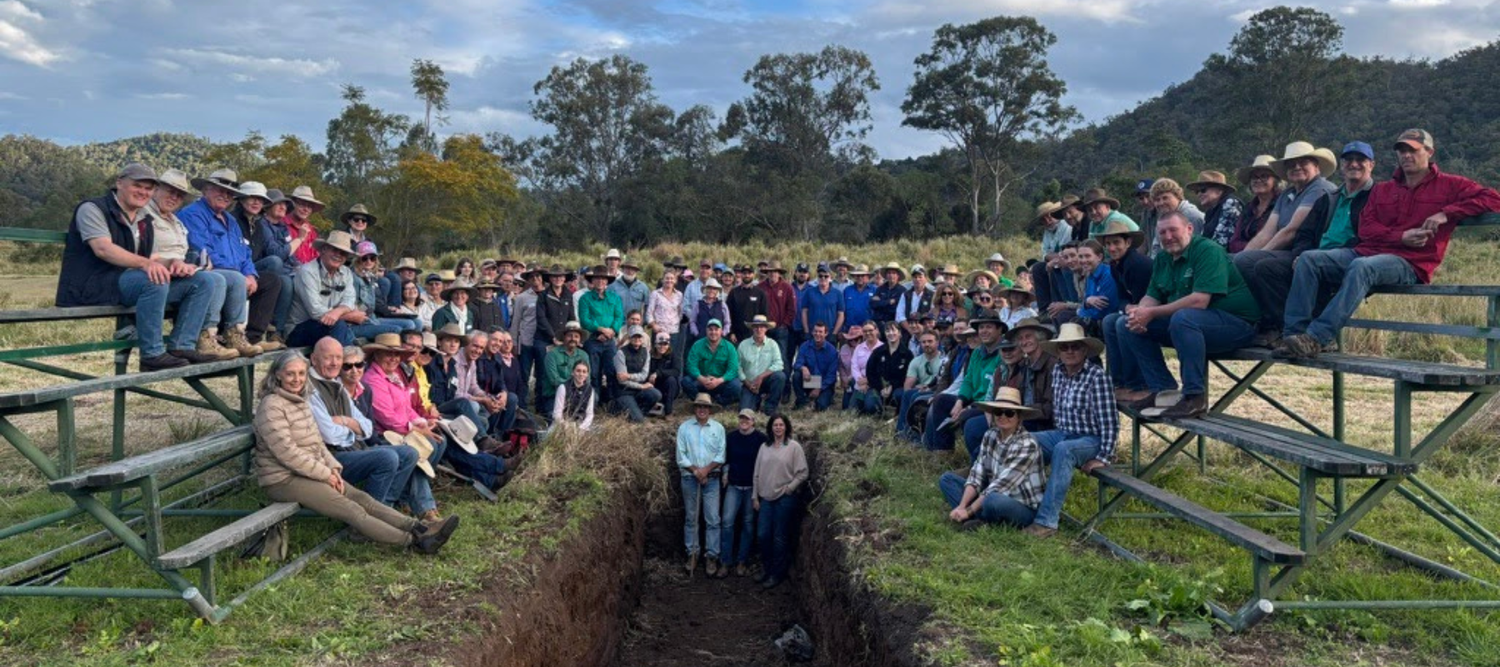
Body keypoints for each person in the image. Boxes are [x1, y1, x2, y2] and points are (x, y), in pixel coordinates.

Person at [1278, 129, 1500, 358]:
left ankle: (1317, 338)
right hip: (1367, 251)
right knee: (1308, 259)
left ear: (1429, 152)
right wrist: (1401, 236)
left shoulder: (1450, 185)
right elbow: (1366, 228)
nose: (1406, 155)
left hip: (1410, 262)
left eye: (1412, 150)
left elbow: (1494, 199)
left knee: (1363, 267)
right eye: (1401, 150)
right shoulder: (1384, 189)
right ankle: (1294, 336)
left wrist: (1446, 213)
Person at [253, 350, 458, 552]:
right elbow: (287, 453)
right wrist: (325, 474)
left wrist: (332, 467)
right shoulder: (272, 406)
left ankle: (421, 527)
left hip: (311, 471)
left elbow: (317, 443)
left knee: (363, 499)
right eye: (290, 374)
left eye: (301, 373)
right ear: (277, 374)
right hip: (283, 479)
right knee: (352, 510)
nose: (296, 379)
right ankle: (413, 542)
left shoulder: (300, 401)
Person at [56, 163, 220, 370]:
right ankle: (152, 355)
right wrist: (148, 264)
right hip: (91, 284)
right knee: (154, 279)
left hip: (130, 283)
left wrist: (174, 263)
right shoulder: (92, 208)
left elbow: (150, 256)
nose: (143, 192)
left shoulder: (144, 218)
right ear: (119, 183)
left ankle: (182, 346)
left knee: (202, 281)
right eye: (137, 186)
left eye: (148, 188)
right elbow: (103, 249)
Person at [1115, 213, 1261, 418]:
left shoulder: (1208, 251)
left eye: (1173, 230)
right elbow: (1152, 295)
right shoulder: (1163, 258)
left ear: (1190, 229)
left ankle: (1194, 397)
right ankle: (1162, 389)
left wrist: (1151, 312)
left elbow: (1199, 301)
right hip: (1193, 325)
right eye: (1163, 232)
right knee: (1125, 324)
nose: (1168, 237)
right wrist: (1139, 313)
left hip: (1236, 324)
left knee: (1184, 318)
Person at [1243, 142, 1377, 346]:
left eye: (1303, 162)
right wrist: (1301, 252)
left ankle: (1296, 332)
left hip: (1347, 256)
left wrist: (1256, 256)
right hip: (1313, 255)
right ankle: (1275, 329)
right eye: (1349, 160)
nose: (1296, 167)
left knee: (1263, 266)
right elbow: (1303, 233)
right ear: (1342, 166)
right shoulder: (1330, 197)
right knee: (1252, 264)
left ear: (1317, 167)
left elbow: (1291, 231)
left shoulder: (1332, 191)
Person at [1022, 323, 1117, 538]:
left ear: (1085, 350)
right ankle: (1021, 504)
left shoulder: (1097, 377)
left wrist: (1103, 456)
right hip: (1063, 432)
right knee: (1025, 440)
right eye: (1064, 348)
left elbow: (1110, 421)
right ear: (1058, 352)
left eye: (1075, 347)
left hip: (1091, 438)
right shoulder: (1058, 371)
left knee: (1064, 450)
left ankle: (1046, 521)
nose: (1070, 351)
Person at [305, 337, 418, 509]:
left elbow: (367, 428)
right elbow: (329, 436)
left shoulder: (336, 384)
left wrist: (345, 421)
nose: (334, 363)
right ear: (314, 359)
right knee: (387, 458)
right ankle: (367, 516)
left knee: (410, 453)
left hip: (354, 449)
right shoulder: (311, 388)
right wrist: (353, 430)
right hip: (331, 458)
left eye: (338, 357)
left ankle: (385, 507)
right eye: (328, 357)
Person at [178, 168, 284, 352]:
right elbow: (202, 250)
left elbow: (245, 253)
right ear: (205, 189)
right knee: (233, 279)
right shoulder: (193, 214)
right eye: (220, 190)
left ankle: (251, 337)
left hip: (234, 275)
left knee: (271, 281)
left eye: (229, 193)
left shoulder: (230, 220)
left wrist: (250, 273)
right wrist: (238, 273)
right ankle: (222, 334)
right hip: (206, 272)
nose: (225, 196)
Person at [143, 167, 234, 363]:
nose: (174, 197)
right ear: (156, 189)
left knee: (211, 279)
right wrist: (172, 263)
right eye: (170, 191)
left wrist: (192, 264)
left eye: (179, 194)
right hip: (149, 277)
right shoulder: (144, 214)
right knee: (212, 280)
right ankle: (200, 338)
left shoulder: (176, 221)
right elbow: (138, 249)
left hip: (176, 276)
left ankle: (184, 344)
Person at [937, 387, 1047, 530]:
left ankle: (978, 519)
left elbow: (1000, 486)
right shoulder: (990, 435)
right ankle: (980, 520)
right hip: (992, 493)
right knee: (947, 479)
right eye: (998, 412)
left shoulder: (1028, 444)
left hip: (1022, 506)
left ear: (1019, 417)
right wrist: (962, 505)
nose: (1003, 416)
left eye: (1009, 413)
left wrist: (969, 510)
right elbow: (977, 473)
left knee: (992, 499)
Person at [930, 316, 1007, 456]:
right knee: (941, 400)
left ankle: (978, 459)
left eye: (989, 327)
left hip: (992, 406)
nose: (984, 331)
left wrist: (969, 407)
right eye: (981, 328)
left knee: (967, 418)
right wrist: (960, 402)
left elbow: (995, 391)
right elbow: (969, 380)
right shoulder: (977, 352)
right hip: (973, 401)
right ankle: (943, 452)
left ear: (999, 329)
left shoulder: (1005, 352)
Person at [233, 182, 297, 346]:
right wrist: (301, 239)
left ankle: (262, 335)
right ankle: (269, 328)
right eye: (251, 198)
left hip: (253, 269)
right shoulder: (236, 220)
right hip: (234, 270)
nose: (256, 202)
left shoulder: (259, 224)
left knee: (285, 280)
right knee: (276, 268)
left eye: (260, 199)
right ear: (241, 199)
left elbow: (249, 254)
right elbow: (274, 254)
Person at [753, 414, 807, 589]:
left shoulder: (793, 447)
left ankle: (777, 573)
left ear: (786, 427)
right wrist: (755, 496)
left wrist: (790, 488)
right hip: (766, 497)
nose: (778, 428)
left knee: (779, 537)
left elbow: (803, 473)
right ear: (770, 428)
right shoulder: (764, 447)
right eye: (775, 425)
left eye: (781, 425)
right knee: (762, 535)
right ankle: (767, 568)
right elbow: (757, 473)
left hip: (784, 498)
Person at [286, 231, 367, 346]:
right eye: (334, 250)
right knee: (339, 325)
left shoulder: (346, 272)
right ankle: (344, 360)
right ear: (323, 249)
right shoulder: (307, 272)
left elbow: (350, 300)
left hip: (332, 325)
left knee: (391, 328)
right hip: (299, 329)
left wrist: (338, 312)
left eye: (343, 253)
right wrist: (349, 316)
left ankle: (351, 358)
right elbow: (316, 311)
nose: (338, 255)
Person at [677, 394, 726, 576]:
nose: (702, 410)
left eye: (705, 407)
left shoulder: (718, 429)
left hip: (711, 479)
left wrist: (705, 470)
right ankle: (692, 553)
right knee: (691, 518)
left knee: (712, 519)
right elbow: (681, 456)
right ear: (694, 409)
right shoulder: (684, 428)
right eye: (699, 406)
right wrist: (696, 471)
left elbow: (721, 456)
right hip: (690, 478)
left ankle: (711, 555)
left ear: (710, 410)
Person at [720, 409, 766, 578]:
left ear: (753, 421)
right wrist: (725, 473)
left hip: (751, 488)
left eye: (747, 419)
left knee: (748, 524)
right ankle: (725, 561)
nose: (743, 421)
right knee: (727, 522)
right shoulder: (731, 437)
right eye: (741, 418)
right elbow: (726, 458)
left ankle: (742, 561)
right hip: (734, 485)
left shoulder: (761, 439)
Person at [576, 265, 624, 393]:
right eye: (597, 279)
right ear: (592, 280)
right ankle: (593, 400)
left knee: (611, 370)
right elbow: (585, 320)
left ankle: (611, 399)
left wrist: (612, 331)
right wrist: (601, 329)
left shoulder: (615, 298)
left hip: (610, 340)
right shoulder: (585, 298)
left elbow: (619, 317)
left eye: (603, 279)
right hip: (593, 340)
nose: (600, 281)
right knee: (593, 371)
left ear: (607, 281)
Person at [510, 264, 546, 409]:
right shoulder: (522, 298)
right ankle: (522, 406)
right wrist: (513, 342)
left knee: (542, 375)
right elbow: (516, 320)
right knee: (523, 375)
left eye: (538, 276)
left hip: (543, 340)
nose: (535, 279)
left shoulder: (548, 294)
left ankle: (540, 405)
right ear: (528, 280)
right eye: (532, 277)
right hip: (526, 341)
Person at [683, 319, 742, 406]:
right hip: (702, 381)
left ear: (721, 331)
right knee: (686, 381)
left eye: (716, 329)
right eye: (710, 329)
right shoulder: (697, 345)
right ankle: (701, 400)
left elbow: (733, 370)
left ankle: (720, 402)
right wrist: (702, 379)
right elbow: (691, 366)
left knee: (737, 386)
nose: (713, 332)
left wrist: (719, 380)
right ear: (706, 331)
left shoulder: (730, 347)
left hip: (721, 382)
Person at [612, 325, 663, 423]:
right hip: (624, 391)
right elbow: (622, 381)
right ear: (629, 338)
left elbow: (644, 375)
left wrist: (629, 376)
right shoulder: (620, 353)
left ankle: (636, 412)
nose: (637, 339)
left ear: (643, 338)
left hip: (638, 389)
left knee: (656, 394)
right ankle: (621, 409)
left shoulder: (646, 352)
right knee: (639, 420)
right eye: (634, 336)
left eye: (639, 336)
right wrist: (641, 386)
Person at [1146, 178, 1205, 256]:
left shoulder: (1192, 216)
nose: (1161, 203)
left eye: (1165, 198)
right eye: (1157, 200)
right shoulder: (1163, 217)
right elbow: (1156, 247)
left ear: (1178, 196)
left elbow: (1196, 248)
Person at [479, 330, 523, 432]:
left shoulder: (497, 357)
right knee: (496, 402)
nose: (497, 344)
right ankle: (490, 435)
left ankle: (503, 434)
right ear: (487, 340)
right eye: (495, 339)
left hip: (492, 394)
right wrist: (488, 398)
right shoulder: (479, 356)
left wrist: (504, 392)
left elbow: (500, 380)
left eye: (500, 341)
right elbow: (475, 385)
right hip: (480, 396)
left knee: (511, 398)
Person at [541, 321, 590, 411]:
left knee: (594, 398)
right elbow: (554, 380)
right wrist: (573, 387)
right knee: (554, 418)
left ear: (580, 339)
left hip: (577, 395)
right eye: (569, 336)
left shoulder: (584, 355)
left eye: (576, 336)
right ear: (563, 337)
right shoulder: (552, 355)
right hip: (554, 395)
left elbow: (587, 379)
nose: (573, 339)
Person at [1190, 171, 1245, 249]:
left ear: (1219, 191)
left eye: (1203, 190)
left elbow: (1221, 241)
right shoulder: (1210, 211)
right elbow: (1204, 237)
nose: (1199, 194)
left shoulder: (1230, 203)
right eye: (1197, 191)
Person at [645, 268, 686, 372]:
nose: (669, 281)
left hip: (673, 332)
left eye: (672, 278)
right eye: (667, 278)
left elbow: (680, 312)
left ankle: (674, 384)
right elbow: (649, 313)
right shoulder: (655, 294)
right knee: (657, 357)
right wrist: (654, 325)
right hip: (659, 331)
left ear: (675, 281)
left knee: (673, 358)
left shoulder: (679, 295)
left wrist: (676, 322)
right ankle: (655, 380)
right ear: (662, 280)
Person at [724, 265, 767, 344]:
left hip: (754, 335)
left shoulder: (760, 293)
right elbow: (727, 314)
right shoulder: (734, 292)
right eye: (744, 273)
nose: (747, 275)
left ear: (753, 274)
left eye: (749, 273)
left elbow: (764, 314)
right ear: (741, 275)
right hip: (736, 336)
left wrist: (761, 332)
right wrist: (731, 332)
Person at [284, 186, 325, 266]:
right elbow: (282, 254)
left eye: (309, 206)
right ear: (292, 204)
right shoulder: (281, 224)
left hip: (308, 272)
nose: (306, 209)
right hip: (288, 270)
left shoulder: (312, 231)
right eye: (302, 204)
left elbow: (315, 255)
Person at [553, 360, 596, 431]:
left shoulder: (590, 390)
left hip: (581, 426)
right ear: (573, 372)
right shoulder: (563, 388)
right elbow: (557, 413)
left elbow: (590, 414)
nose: (581, 374)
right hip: (563, 426)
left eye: (584, 371)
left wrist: (580, 428)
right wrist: (565, 426)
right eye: (578, 371)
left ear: (587, 374)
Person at [650, 332, 681, 416]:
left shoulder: (674, 355)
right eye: (660, 344)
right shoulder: (650, 356)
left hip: (670, 387)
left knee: (671, 380)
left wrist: (658, 373)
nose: (662, 347)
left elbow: (676, 371)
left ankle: (668, 411)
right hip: (654, 385)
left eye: (665, 344)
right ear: (655, 344)